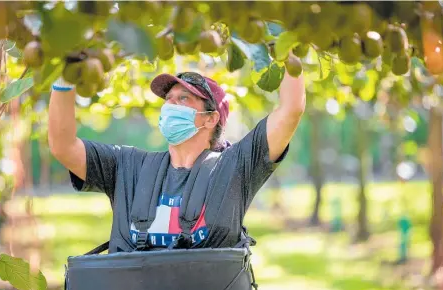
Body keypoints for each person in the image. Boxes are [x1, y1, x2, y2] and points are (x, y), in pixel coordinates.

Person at [48, 69, 305, 252]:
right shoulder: (127, 166)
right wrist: (65, 78)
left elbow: (291, 109)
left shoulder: (235, 166)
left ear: (210, 118)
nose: (171, 106)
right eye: (168, 99)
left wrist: (287, 51)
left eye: (183, 99)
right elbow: (63, 146)